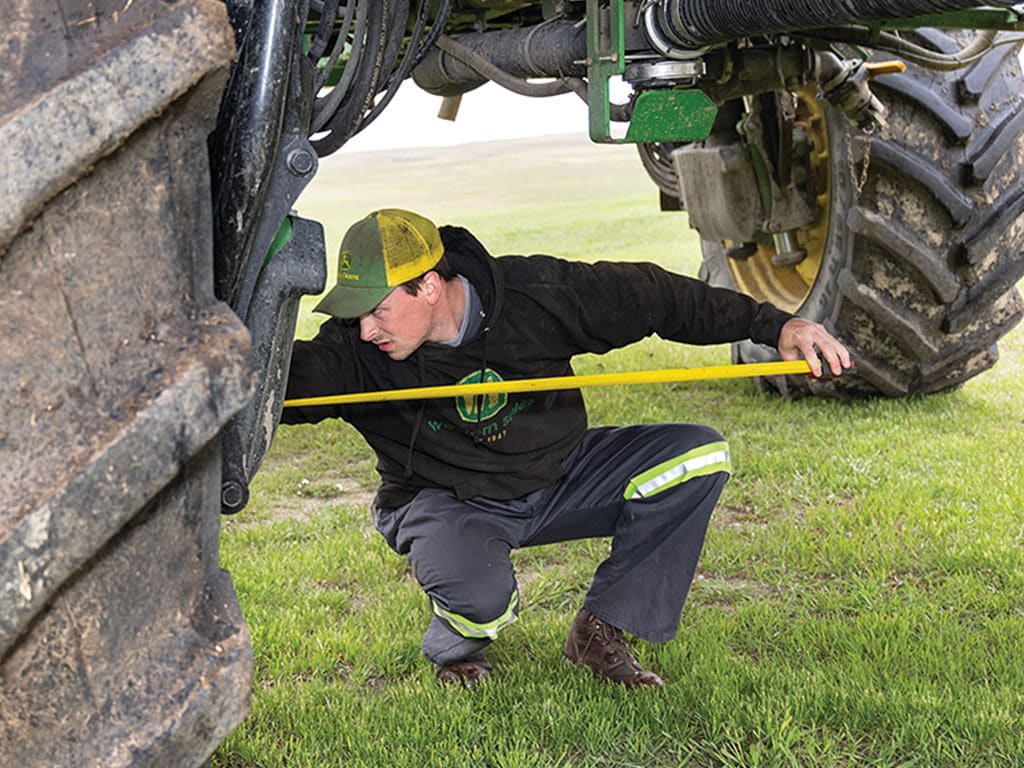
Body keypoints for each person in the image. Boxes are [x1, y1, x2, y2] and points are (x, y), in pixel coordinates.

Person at [282, 208, 851, 688]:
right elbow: (285, 384)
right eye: (356, 315)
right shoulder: (354, 354)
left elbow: (654, 297)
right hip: (447, 498)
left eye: (377, 310)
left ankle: (599, 630)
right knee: (480, 599)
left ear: (429, 286)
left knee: (698, 454)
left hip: (559, 475)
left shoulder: (534, 296)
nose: (366, 330)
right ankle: (457, 644)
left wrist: (774, 326)